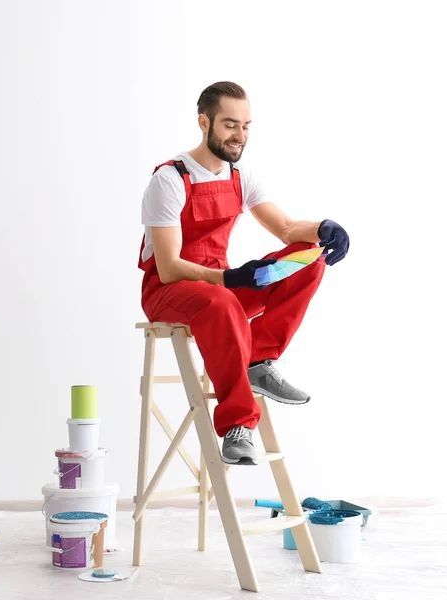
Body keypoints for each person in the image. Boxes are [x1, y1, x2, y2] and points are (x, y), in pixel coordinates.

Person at [138, 81, 349, 465]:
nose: (240, 135)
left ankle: (257, 359)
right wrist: (233, 279)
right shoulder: (170, 180)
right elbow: (168, 269)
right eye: (230, 125)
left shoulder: (240, 176)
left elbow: (285, 228)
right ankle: (238, 425)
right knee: (221, 302)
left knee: (307, 260)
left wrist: (323, 229)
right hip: (169, 293)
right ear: (205, 122)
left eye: (246, 125)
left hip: (219, 285)